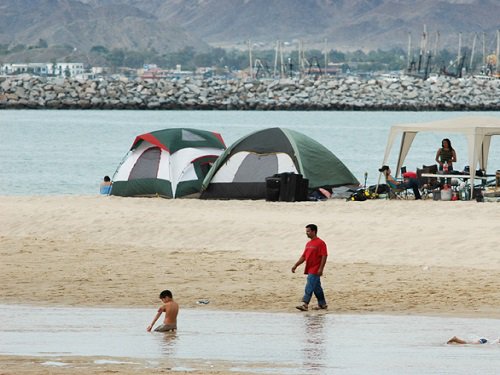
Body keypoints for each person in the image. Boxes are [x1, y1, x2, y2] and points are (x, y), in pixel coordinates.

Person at [292, 224, 328, 311]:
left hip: (316, 269)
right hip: (309, 268)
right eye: (306, 231)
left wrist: (321, 269)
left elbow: (324, 255)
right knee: (316, 287)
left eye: (308, 231)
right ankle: (322, 304)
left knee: (309, 285)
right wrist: (296, 265)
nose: (306, 233)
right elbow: (304, 256)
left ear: (314, 231)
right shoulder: (308, 243)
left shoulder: (321, 243)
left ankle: (305, 304)